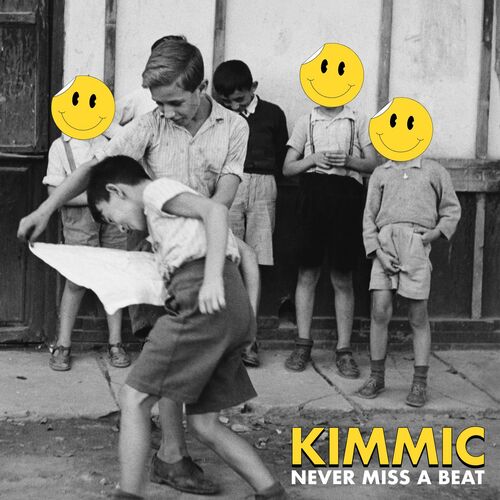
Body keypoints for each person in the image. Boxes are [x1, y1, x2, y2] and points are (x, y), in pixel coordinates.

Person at [18, 36, 254, 495]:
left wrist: (212, 253)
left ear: (202, 87)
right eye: (158, 103)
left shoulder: (234, 128)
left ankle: (169, 452)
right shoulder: (149, 125)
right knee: (160, 351)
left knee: (181, 361)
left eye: (175, 102)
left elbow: (222, 199)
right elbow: (95, 168)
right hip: (156, 257)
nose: (166, 112)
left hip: (204, 257)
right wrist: (46, 209)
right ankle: (172, 455)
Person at [86, 156, 287, 500]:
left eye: (109, 216)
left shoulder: (156, 192)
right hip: (228, 306)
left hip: (203, 300)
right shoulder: (164, 222)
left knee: (133, 399)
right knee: (204, 423)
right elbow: (239, 253)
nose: (119, 227)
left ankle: (127, 495)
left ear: (117, 191)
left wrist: (210, 280)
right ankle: (272, 493)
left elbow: (216, 211)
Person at [282, 101, 377, 375]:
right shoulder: (307, 120)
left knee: (342, 277)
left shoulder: (358, 119)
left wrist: (349, 161)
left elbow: (373, 164)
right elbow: (287, 168)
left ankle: (344, 350)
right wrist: (312, 159)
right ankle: (303, 344)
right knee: (307, 274)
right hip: (311, 200)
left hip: (347, 202)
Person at [356, 157, 461, 407]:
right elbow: (369, 217)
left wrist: (434, 233)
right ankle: (377, 376)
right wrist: (378, 252)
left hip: (416, 243)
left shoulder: (434, 170)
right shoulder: (381, 173)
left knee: (418, 315)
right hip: (385, 246)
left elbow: (451, 209)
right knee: (379, 310)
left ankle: (419, 382)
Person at [212, 60, 288, 367]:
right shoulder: (220, 116)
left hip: (263, 185)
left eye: (239, 99)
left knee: (254, 258)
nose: (234, 106)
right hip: (229, 184)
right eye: (227, 101)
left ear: (253, 88)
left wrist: (266, 184)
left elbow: (281, 156)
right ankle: (226, 337)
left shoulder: (273, 114)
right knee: (226, 258)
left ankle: (250, 338)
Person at [43, 134, 130, 371]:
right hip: (79, 221)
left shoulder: (112, 140)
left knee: (113, 277)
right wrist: (94, 198)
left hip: (113, 218)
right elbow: (54, 192)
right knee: (76, 280)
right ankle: (63, 344)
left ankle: (115, 343)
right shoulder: (61, 146)